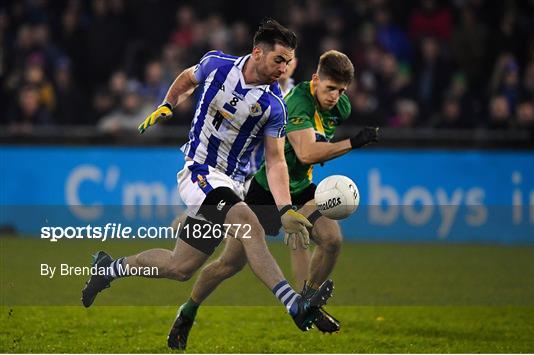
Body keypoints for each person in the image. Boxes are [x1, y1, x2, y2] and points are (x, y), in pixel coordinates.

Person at [80, 19, 334, 347]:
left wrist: (285, 207)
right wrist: (168, 104)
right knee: (247, 223)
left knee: (181, 266)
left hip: (235, 183)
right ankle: (293, 304)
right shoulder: (217, 65)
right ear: (258, 53)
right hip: (200, 171)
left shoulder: (274, 106)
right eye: (279, 60)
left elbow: (275, 160)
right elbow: (188, 78)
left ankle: (109, 268)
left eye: (288, 62)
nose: (284, 68)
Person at [172, 50, 379, 349]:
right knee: (229, 265)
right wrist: (352, 143)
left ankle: (308, 301)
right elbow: (306, 153)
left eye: (341, 90)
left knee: (332, 240)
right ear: (315, 79)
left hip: (302, 187)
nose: (335, 96)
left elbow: (308, 156)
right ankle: (188, 310)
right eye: (330, 88)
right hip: (267, 190)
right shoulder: (295, 103)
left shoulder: (340, 107)